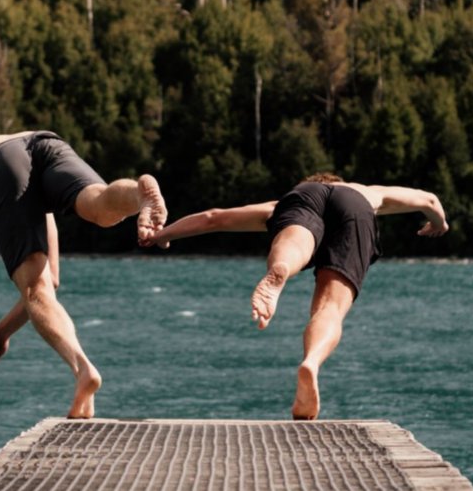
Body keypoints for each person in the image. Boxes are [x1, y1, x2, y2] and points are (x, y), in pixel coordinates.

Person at [144, 172, 448, 420]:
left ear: (317, 180)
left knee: (296, 241)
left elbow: (213, 217)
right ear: (338, 181)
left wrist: (161, 235)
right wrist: (438, 223)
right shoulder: (366, 190)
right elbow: (429, 199)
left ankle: (282, 269)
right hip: (355, 207)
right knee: (329, 308)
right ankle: (311, 364)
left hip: (302, 201)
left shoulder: (293, 197)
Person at [0, 130, 167, 418]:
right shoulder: (14, 189)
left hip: (2, 159)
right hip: (47, 143)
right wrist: (2, 332)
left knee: (35, 287)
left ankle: (83, 369)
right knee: (99, 205)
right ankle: (139, 194)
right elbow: (53, 279)